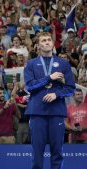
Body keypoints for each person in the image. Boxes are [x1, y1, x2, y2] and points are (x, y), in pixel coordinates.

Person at [24, 32, 76, 169]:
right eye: (43, 40)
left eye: (49, 40)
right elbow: (29, 86)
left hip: (56, 111)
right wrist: (49, 78)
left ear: (53, 44)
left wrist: (56, 94)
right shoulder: (31, 64)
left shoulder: (64, 64)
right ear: (38, 45)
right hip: (37, 111)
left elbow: (71, 88)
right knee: (37, 151)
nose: (47, 42)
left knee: (57, 151)